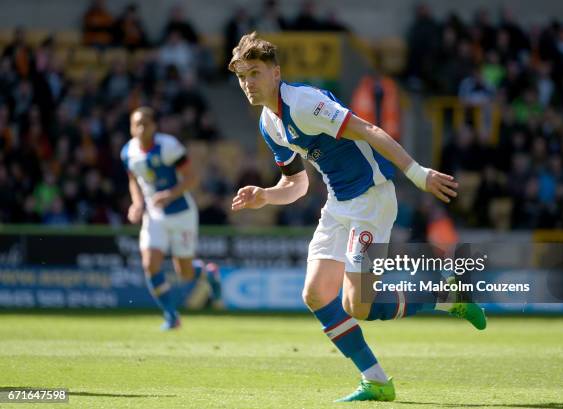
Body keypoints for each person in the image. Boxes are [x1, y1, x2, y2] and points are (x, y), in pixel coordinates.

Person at [228, 32, 487, 402]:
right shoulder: (269, 125)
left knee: (357, 305)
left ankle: (447, 295)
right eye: (242, 77)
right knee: (316, 294)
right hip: (337, 204)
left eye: (255, 73)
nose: (248, 83)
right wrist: (265, 196)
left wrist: (417, 173)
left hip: (371, 200)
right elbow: (297, 185)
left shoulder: (304, 102)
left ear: (276, 73)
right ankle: (377, 381)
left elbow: (370, 130)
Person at [121, 106, 217, 330]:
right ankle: (171, 316)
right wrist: (137, 203)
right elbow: (133, 180)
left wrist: (169, 194)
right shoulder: (128, 152)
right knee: (149, 264)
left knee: (184, 273)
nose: (142, 128)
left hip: (181, 213)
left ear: (155, 126)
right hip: (154, 215)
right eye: (137, 124)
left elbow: (192, 178)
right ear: (131, 128)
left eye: (146, 123)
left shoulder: (170, 147)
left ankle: (208, 272)